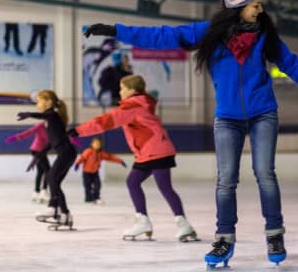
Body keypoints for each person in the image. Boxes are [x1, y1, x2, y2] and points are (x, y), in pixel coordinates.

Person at [83, 0, 298, 268]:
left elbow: (293, 66)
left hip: (263, 113)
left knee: (265, 173)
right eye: (254, 5)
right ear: (237, 7)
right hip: (227, 118)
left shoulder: (266, 36)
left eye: (260, 5)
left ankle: (274, 233)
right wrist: (115, 31)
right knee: (225, 181)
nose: (260, 10)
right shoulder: (207, 33)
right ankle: (224, 239)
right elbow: (161, 35)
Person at [69, 75, 198, 242]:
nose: (120, 91)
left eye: (122, 88)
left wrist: (79, 130)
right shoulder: (140, 104)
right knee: (133, 182)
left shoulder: (132, 107)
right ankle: (144, 220)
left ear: (132, 90)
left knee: (164, 187)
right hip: (149, 151)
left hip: (156, 150)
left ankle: (182, 224)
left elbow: (105, 121)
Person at [17, 90, 77, 230]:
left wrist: (30, 114)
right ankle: (64, 214)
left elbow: (46, 115)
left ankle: (54, 208)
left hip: (66, 153)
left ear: (49, 101)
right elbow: (51, 141)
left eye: (39, 101)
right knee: (54, 181)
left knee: (51, 178)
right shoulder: (49, 120)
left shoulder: (53, 115)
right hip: (66, 152)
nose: (37, 104)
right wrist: (38, 156)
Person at [4, 122, 50, 203]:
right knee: (48, 170)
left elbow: (61, 135)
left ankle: (36, 192)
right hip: (36, 150)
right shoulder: (40, 125)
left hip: (42, 151)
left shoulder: (53, 127)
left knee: (41, 171)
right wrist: (16, 137)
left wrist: (72, 139)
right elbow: (29, 132)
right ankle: (43, 191)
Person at [73, 137, 125, 205]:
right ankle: (88, 199)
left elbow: (110, 157)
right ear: (92, 144)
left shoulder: (101, 153)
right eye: (96, 143)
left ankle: (96, 197)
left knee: (98, 185)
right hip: (86, 172)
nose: (97, 145)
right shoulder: (88, 151)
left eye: (99, 144)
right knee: (87, 186)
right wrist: (77, 164)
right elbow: (82, 158)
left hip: (95, 172)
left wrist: (120, 161)